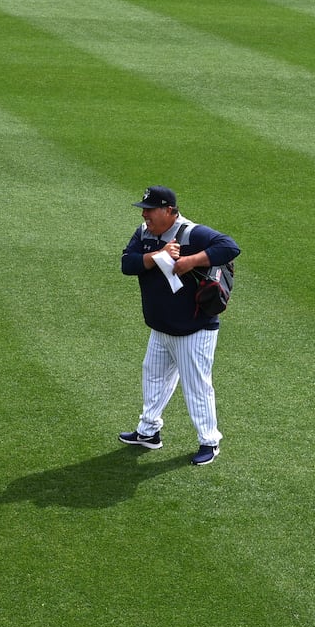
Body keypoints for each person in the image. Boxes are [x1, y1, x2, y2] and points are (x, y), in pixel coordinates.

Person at [118, 186, 241, 467]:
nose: (145, 214)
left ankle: (209, 441)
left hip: (194, 328)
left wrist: (190, 261)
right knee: (153, 378)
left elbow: (229, 247)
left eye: (151, 209)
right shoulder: (144, 234)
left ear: (170, 211)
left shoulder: (191, 233)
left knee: (196, 386)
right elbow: (127, 264)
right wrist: (156, 255)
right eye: (144, 209)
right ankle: (149, 432)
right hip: (161, 326)